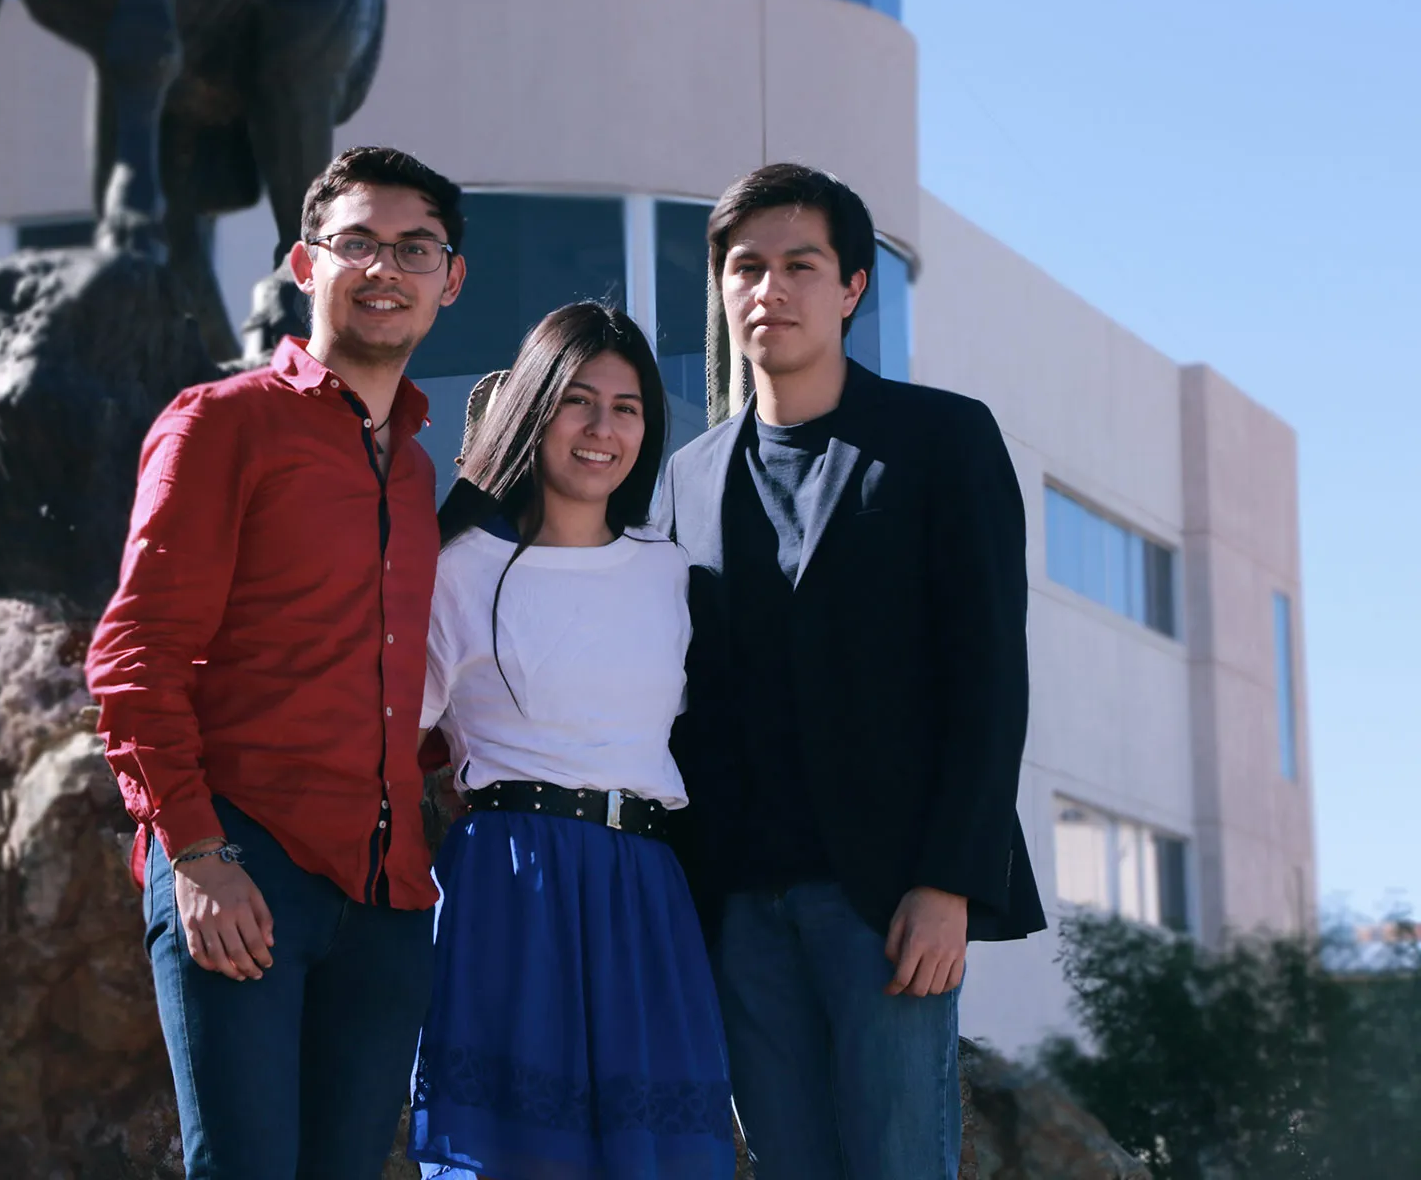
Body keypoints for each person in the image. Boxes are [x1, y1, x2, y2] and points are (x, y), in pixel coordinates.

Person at [652, 163, 1046, 1178]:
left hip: (885, 898)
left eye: (799, 265)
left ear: (852, 287)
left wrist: (949, 880)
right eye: (745, 267)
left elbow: (990, 674)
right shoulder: (686, 478)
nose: (767, 290)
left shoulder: (942, 440)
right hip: (737, 903)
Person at [85, 145, 467, 1179]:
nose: (385, 267)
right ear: (305, 264)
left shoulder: (423, 465)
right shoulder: (221, 424)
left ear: (450, 277)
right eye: (358, 242)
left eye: (414, 247)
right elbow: (133, 654)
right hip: (243, 860)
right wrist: (198, 853)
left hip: (387, 892)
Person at [411, 302, 737, 1180]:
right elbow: (389, 744)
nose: (602, 429)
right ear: (534, 410)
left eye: (627, 408)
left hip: (645, 890)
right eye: (577, 401)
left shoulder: (671, 570)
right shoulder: (455, 568)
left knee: (659, 1160)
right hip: (507, 886)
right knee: (511, 1157)